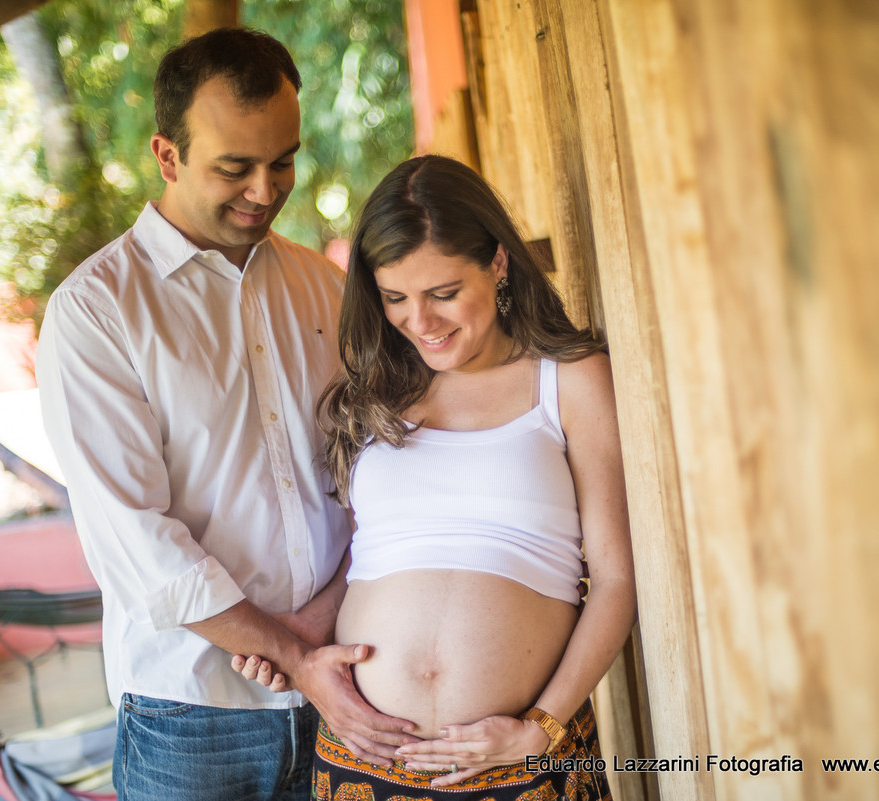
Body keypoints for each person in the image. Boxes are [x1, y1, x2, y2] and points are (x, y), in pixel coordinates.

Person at [36, 28, 414, 801]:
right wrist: (291, 649)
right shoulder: (96, 312)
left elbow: (381, 470)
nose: (266, 189)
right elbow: (137, 540)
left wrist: (319, 630)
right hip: (191, 720)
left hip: (351, 680)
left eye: (283, 161)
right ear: (167, 156)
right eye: (234, 167)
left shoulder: (324, 286)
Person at [237, 154, 637, 801]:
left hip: (514, 761)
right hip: (363, 760)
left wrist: (540, 728)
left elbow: (617, 577)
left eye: (443, 293)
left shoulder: (569, 379)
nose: (420, 321)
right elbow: (371, 559)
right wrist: (296, 642)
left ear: (498, 261)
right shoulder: (376, 391)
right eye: (395, 298)